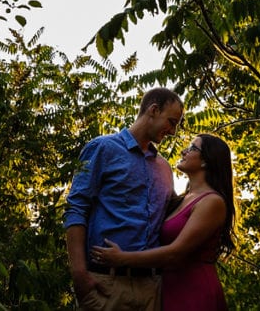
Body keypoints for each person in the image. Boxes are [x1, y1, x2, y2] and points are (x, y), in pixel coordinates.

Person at [63, 87, 184, 311]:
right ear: (154, 110)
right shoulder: (102, 148)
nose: (173, 131)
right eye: (172, 121)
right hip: (106, 285)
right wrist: (79, 274)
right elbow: (76, 209)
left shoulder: (164, 168)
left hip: (152, 288)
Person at [91, 133, 236, 311]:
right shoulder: (183, 199)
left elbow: (175, 253)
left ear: (206, 161)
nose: (183, 151)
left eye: (191, 148)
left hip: (194, 291)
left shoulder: (212, 202)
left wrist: (122, 258)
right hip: (169, 288)